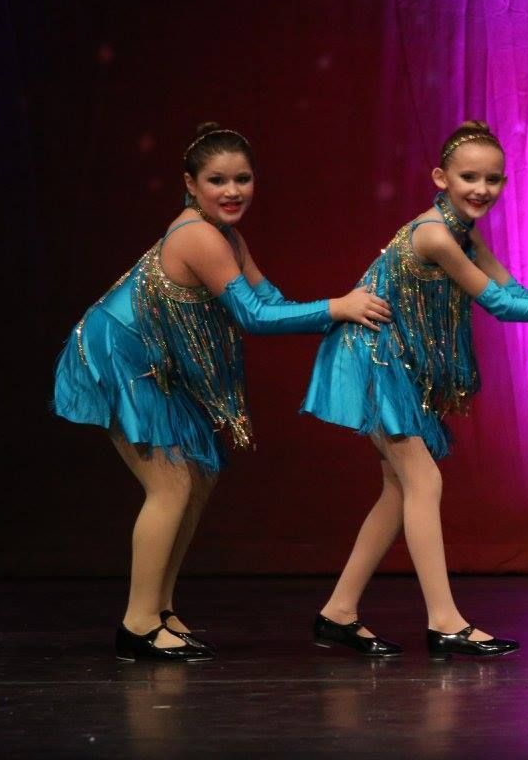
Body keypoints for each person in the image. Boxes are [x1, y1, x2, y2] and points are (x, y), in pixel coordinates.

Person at [54, 123, 390, 662]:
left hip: (157, 364)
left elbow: (268, 298)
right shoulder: (198, 236)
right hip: (124, 358)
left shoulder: (228, 236)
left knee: (197, 479)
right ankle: (137, 624)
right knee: (170, 485)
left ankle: (160, 610)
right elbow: (254, 317)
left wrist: (339, 311)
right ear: (191, 184)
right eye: (217, 180)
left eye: (243, 179)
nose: (233, 191)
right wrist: (336, 307)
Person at [303, 121, 528, 659]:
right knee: (423, 482)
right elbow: (498, 307)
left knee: (399, 489)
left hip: (395, 363)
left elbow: (511, 289)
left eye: (494, 179)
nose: (482, 189)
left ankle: (338, 612)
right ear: (441, 178)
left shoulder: (463, 232)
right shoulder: (435, 234)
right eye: (469, 177)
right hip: (372, 358)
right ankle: (445, 622)